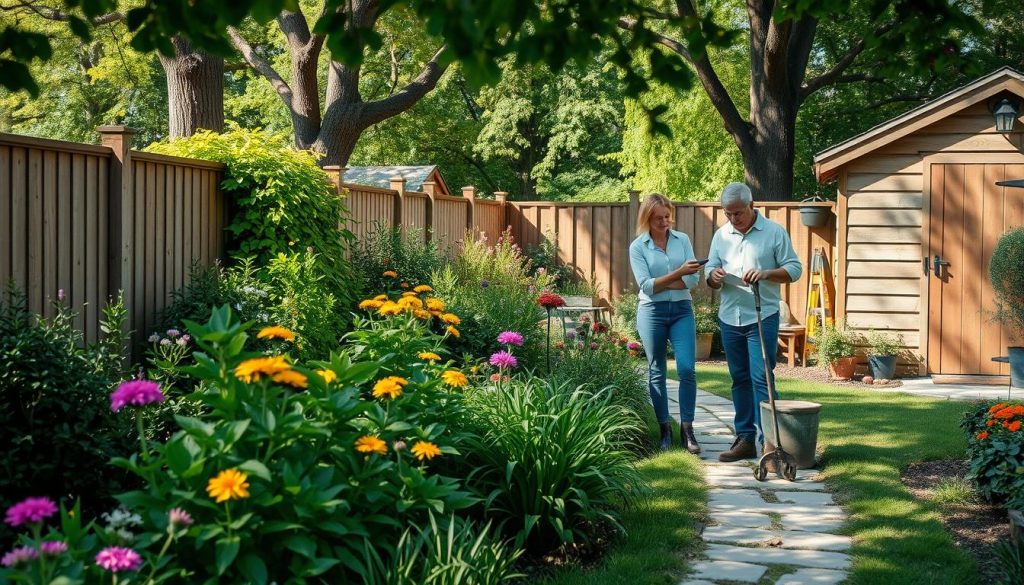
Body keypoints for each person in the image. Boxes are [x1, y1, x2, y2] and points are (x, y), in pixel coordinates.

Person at [705, 182, 802, 462]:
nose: (733, 219)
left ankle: (770, 443)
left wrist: (767, 273)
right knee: (739, 379)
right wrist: (714, 277)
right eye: (728, 214)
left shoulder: (773, 232)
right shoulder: (721, 235)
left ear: (752, 206)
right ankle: (745, 439)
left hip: (762, 316)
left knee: (763, 378)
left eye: (738, 213)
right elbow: (710, 270)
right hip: (729, 317)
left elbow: (795, 269)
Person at [629, 193, 703, 453]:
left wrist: (665, 281)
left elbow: (693, 282)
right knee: (657, 370)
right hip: (652, 313)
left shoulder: (682, 240)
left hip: (682, 309)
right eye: (658, 218)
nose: (664, 222)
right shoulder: (638, 247)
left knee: (687, 370)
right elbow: (647, 287)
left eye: (667, 216)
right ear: (647, 219)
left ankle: (688, 430)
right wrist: (679, 274)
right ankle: (665, 431)